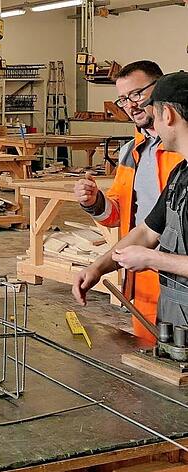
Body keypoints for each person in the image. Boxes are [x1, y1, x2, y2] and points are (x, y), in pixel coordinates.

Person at [72, 61, 182, 341]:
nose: (131, 105)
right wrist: (95, 203)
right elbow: (140, 226)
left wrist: (152, 257)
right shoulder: (133, 153)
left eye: (136, 95)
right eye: (123, 99)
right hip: (148, 278)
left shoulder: (178, 156)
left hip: (171, 275)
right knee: (150, 356)